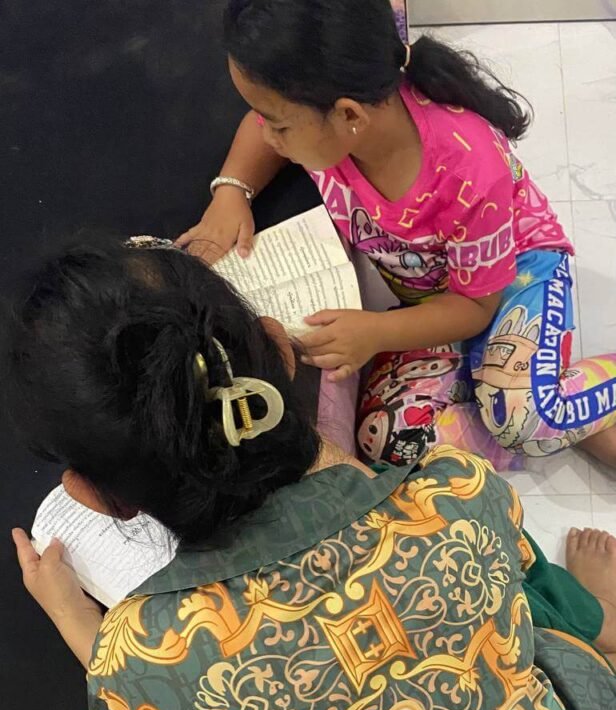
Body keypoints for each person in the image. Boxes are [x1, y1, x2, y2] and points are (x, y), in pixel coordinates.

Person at [7, 237, 616, 710]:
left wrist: (70, 615)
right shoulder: (454, 494)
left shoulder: (145, 657)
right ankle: (601, 618)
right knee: (514, 612)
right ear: (280, 347)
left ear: (95, 496)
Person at [176, 0, 616, 467]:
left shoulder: (469, 168)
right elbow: (257, 125)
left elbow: (476, 305)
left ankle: (527, 409)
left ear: (348, 116)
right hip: (435, 302)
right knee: (382, 438)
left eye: (280, 125)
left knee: (519, 419)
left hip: (514, 280)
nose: (270, 138)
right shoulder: (340, 120)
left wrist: (378, 331)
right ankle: (534, 402)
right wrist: (232, 190)